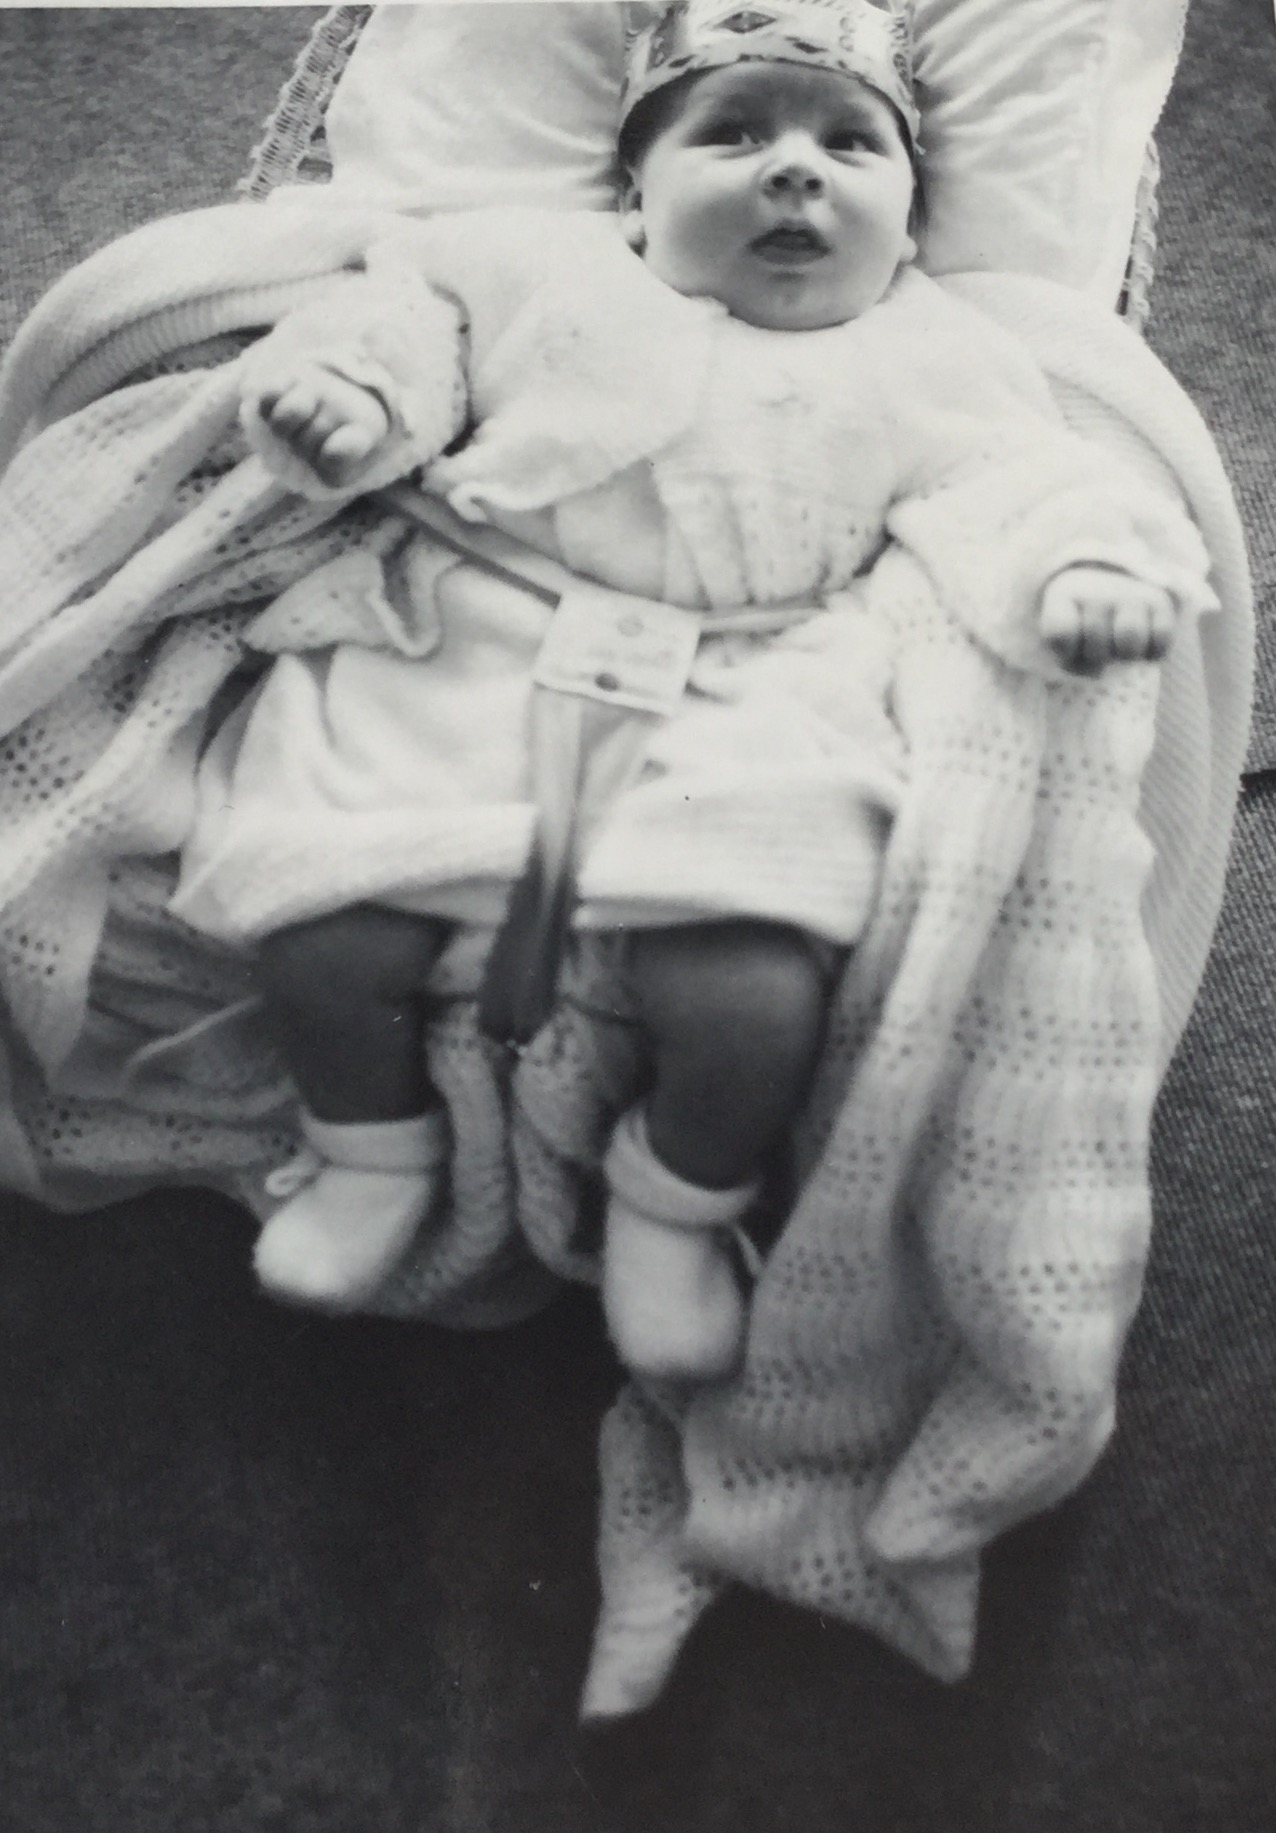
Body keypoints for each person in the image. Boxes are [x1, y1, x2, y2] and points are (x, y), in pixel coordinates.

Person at [171, 0, 1211, 1379]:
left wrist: (1081, 567)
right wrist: (355, 396)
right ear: (633, 196)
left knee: (753, 990)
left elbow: (1024, 481)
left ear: (909, 226)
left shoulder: (939, 353)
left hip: (757, 685)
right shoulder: (531, 265)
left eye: (851, 146)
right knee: (318, 915)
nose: (795, 170)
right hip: (482, 635)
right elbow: (407, 318)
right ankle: (369, 1147)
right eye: (733, 135)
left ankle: (677, 1202)